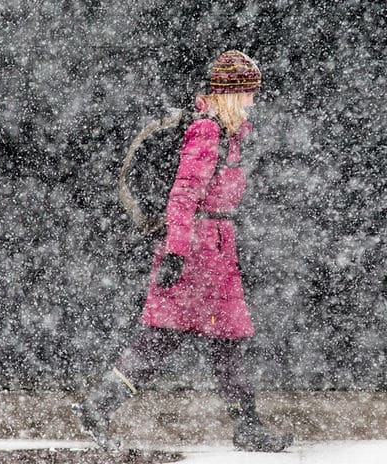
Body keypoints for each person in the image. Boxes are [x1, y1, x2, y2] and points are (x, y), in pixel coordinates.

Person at [74, 50, 293, 453]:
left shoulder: (225, 134)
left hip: (212, 251)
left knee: (203, 339)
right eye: (248, 93)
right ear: (231, 94)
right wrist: (176, 253)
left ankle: (100, 405)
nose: (252, 101)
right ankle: (99, 407)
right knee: (184, 338)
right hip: (197, 252)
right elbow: (183, 196)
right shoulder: (208, 131)